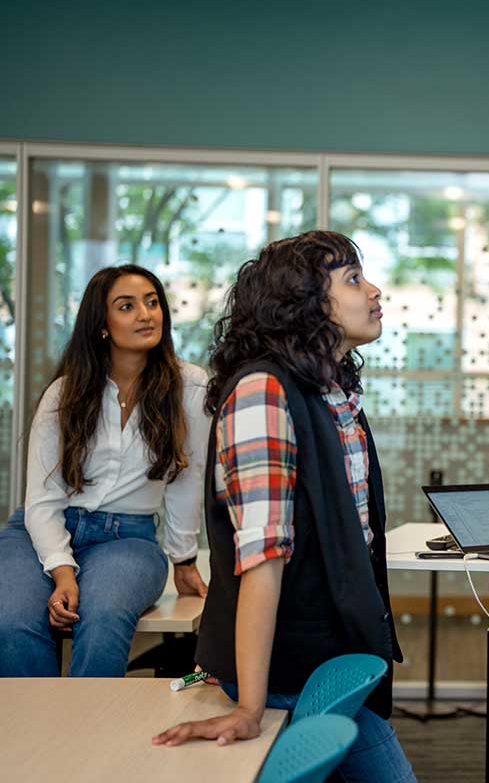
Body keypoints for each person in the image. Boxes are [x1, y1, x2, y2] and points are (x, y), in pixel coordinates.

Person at [152, 231, 416, 783]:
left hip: (324, 659)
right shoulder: (263, 393)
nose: (374, 290)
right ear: (306, 303)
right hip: (284, 668)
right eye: (352, 279)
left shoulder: (331, 391)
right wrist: (249, 708)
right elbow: (262, 562)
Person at [0, 265, 209, 677]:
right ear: (102, 325)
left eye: (152, 302)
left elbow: (187, 479)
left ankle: (89, 738)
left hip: (128, 538)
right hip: (38, 531)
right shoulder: (65, 393)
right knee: (12, 622)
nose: (146, 314)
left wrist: (184, 559)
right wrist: (63, 572)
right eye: (126, 306)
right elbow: (42, 500)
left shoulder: (191, 385)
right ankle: (34, 738)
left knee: (103, 618)